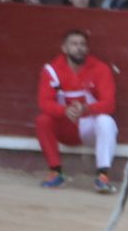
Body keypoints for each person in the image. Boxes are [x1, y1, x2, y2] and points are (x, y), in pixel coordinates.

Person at [35, 29, 118, 192]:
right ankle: (55, 172)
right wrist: (64, 111)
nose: (79, 48)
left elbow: (109, 104)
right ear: (64, 48)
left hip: (88, 127)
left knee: (106, 121)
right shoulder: (52, 70)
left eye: (82, 44)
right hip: (64, 126)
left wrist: (86, 108)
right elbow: (44, 103)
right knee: (43, 120)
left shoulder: (100, 68)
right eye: (74, 44)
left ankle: (102, 176)